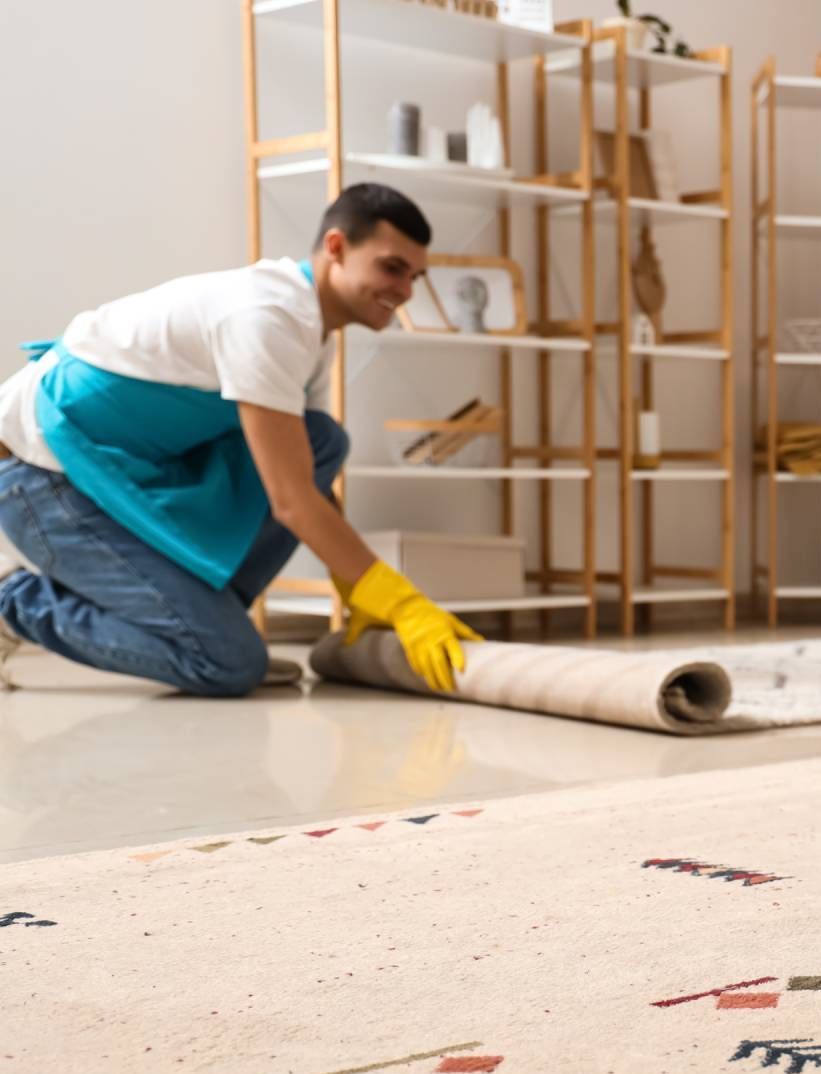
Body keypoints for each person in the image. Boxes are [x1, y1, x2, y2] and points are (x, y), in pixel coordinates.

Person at [0, 183, 478, 697]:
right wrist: (399, 600)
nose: (405, 289)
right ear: (336, 248)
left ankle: (210, 628)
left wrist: (355, 587)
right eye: (392, 267)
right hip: (42, 479)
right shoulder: (267, 317)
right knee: (228, 665)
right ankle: (13, 602)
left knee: (322, 441)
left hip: (121, 471)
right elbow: (291, 501)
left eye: (414, 276)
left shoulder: (312, 338)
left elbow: (304, 475)